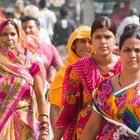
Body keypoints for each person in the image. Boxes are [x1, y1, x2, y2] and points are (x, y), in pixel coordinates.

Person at [53, 16, 122, 140]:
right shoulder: (79, 69)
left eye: (107, 37)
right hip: (84, 133)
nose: (103, 41)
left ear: (115, 38)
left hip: (119, 134)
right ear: (92, 39)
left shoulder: (125, 67)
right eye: (97, 37)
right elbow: (68, 108)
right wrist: (56, 138)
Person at [81, 26, 140, 140]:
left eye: (137, 50)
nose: (132, 55)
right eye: (127, 50)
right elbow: (92, 127)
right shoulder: (105, 87)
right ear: (119, 52)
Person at [0, 19, 48, 140]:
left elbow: (40, 95)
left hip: (26, 125)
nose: (9, 38)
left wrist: (45, 129)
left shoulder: (31, 60)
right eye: (4, 34)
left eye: (12, 34)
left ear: (19, 35)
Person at [48, 25, 92, 134]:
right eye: (82, 41)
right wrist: (58, 136)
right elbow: (55, 108)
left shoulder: (100, 69)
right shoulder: (63, 73)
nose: (86, 46)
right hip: (72, 132)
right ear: (73, 45)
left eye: (90, 42)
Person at [21, 16, 63, 84]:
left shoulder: (50, 48)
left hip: (44, 90)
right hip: (23, 90)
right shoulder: (18, 48)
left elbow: (61, 69)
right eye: (24, 28)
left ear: (38, 28)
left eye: (30, 27)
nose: (27, 30)